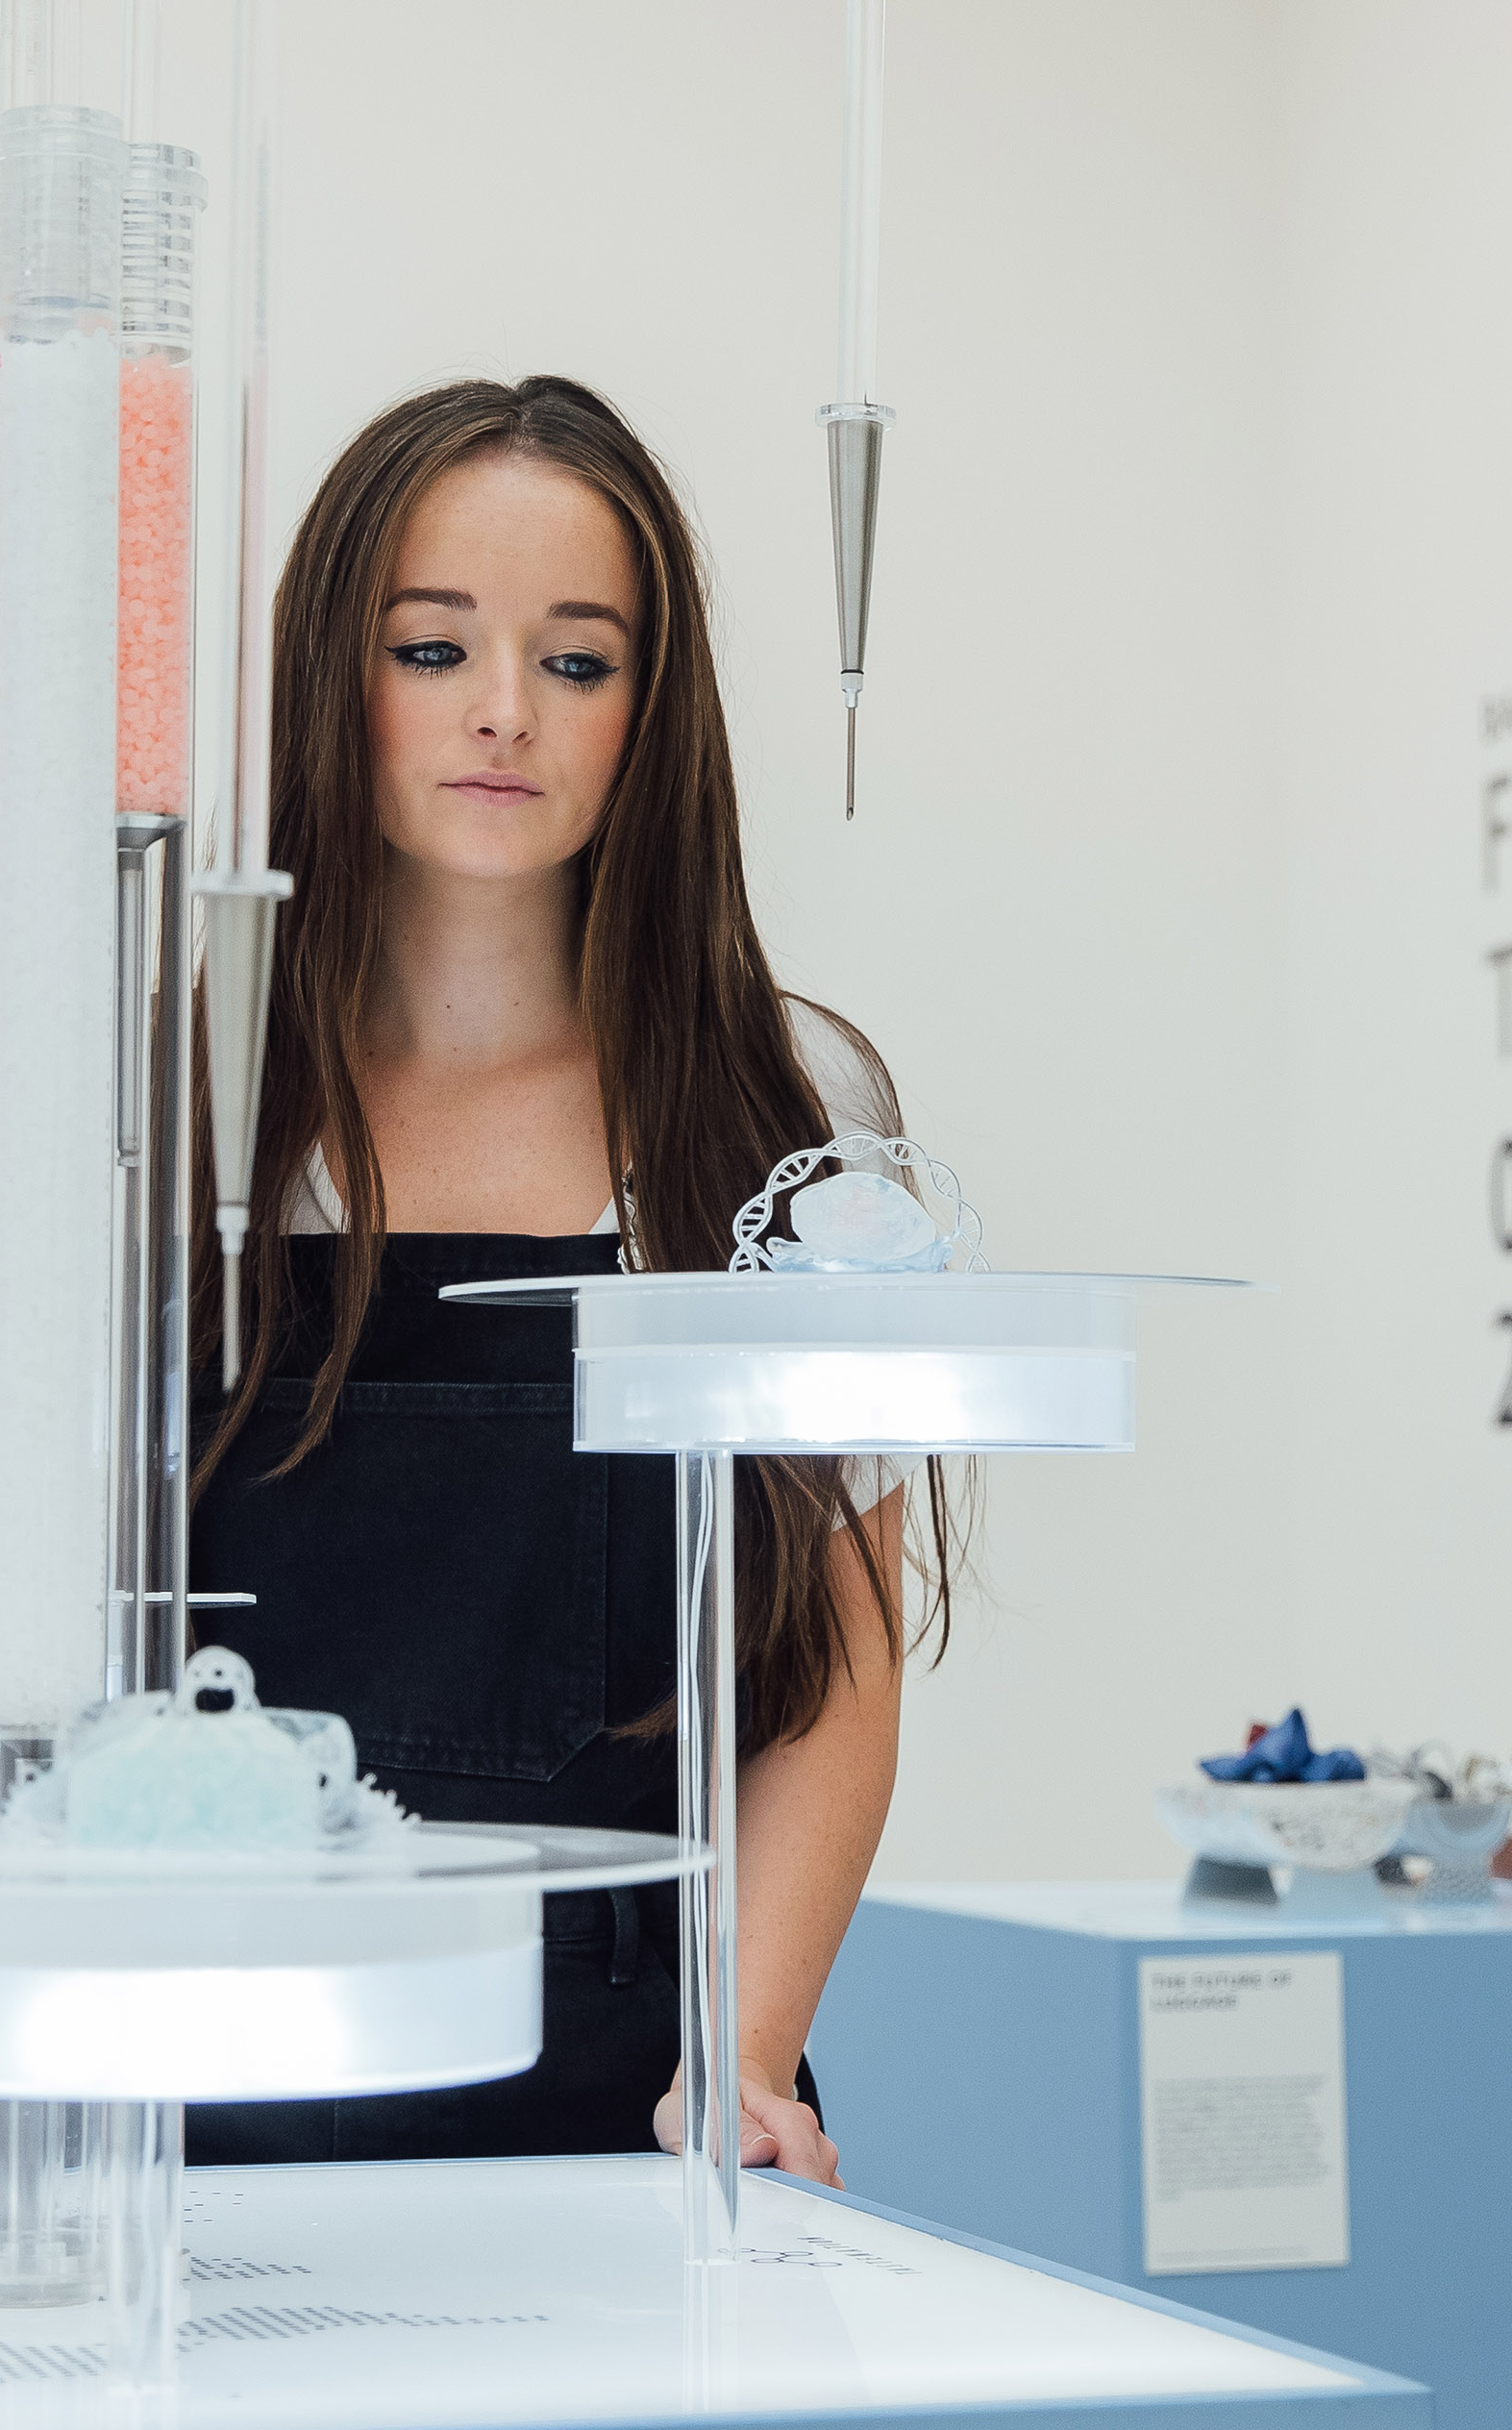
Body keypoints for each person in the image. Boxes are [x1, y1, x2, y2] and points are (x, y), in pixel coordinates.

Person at [184, 374, 948, 2185]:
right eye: (433, 650)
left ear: (650, 712)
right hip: (209, 2070)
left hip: (632, 2094)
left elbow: (836, 1672)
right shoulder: (187, 1098)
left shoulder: (785, 1106)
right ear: (331, 676)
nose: (505, 714)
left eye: (579, 661)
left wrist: (739, 2059)